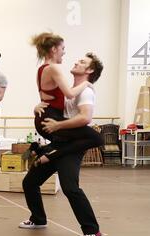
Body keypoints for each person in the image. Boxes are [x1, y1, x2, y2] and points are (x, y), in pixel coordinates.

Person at [19, 52, 104, 236]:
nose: (76, 61)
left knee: (70, 188)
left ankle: (93, 231)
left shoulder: (86, 91)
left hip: (73, 147)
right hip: (60, 143)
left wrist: (57, 126)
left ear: (90, 70)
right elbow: (54, 109)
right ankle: (38, 219)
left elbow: (85, 118)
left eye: (82, 62)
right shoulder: (70, 90)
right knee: (30, 182)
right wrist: (38, 106)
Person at [29, 32, 102, 166]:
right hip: (51, 118)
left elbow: (48, 97)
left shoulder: (42, 69)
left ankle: (39, 150)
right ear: (54, 49)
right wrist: (86, 84)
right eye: (62, 48)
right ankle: (46, 153)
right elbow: (69, 94)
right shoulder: (54, 68)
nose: (64, 52)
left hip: (44, 117)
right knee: (97, 138)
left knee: (66, 141)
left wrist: (36, 108)